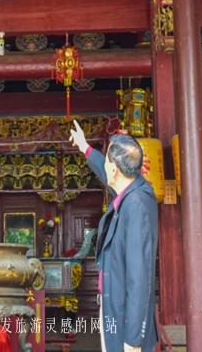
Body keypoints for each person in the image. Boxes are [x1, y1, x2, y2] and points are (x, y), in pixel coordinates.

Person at [70, 120, 158, 352]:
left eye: (107, 159)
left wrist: (133, 339)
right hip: (115, 306)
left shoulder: (136, 205)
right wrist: (84, 147)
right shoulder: (129, 191)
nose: (105, 164)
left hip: (126, 319)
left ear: (115, 169)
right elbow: (104, 171)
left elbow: (139, 277)